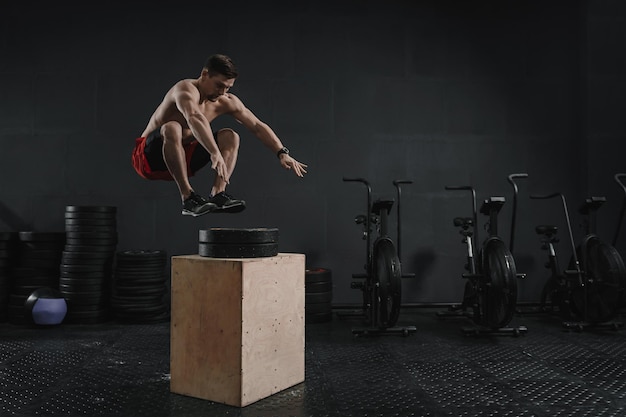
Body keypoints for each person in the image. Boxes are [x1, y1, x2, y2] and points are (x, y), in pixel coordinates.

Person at [132, 54, 308, 217]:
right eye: (219, 85)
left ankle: (218, 194)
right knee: (172, 127)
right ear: (205, 74)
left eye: (227, 87)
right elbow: (194, 117)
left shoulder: (225, 101)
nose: (222, 92)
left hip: (182, 158)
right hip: (148, 159)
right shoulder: (184, 90)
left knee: (230, 136)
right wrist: (214, 152)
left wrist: (281, 152)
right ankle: (188, 198)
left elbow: (256, 125)